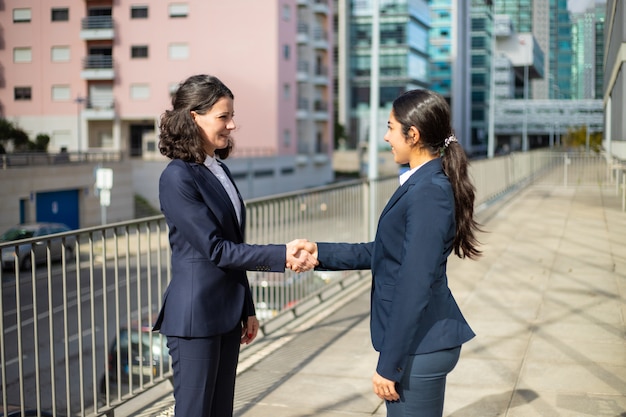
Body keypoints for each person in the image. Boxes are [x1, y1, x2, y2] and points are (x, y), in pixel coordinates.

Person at [303, 89, 481, 417]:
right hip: (418, 342)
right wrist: (320, 253)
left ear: (412, 135)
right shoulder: (421, 182)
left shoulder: (429, 192)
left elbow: (414, 284)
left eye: (390, 127)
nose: (385, 137)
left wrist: (390, 364)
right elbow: (388, 251)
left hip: (420, 345)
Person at [153, 74, 317, 417]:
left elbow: (233, 242)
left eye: (231, 115)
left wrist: (247, 306)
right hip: (195, 318)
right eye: (223, 117)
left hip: (226, 314)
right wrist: (281, 255)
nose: (232, 124)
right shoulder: (177, 176)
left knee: (220, 411)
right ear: (193, 117)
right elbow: (215, 249)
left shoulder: (218, 169)